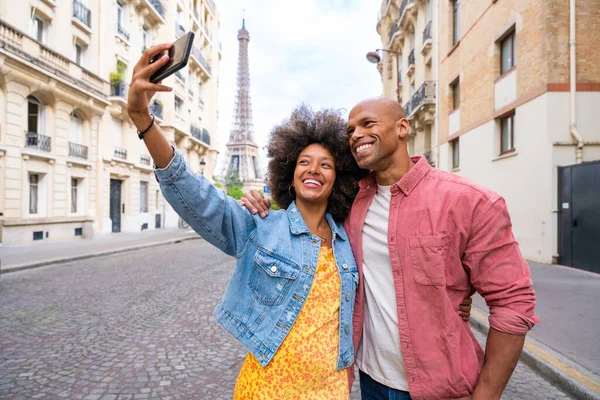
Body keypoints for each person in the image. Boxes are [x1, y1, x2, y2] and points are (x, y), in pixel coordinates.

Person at [241, 97, 539, 400]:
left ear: (402, 128)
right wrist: (259, 203)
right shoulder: (349, 203)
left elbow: (514, 301)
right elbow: (305, 211)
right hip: (370, 382)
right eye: (351, 130)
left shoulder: (469, 202)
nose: (356, 134)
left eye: (368, 124)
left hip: (442, 388)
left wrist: (487, 393)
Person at [127, 43, 364, 399]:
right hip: (267, 389)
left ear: (339, 177)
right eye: (304, 161)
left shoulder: (347, 241)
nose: (314, 168)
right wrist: (142, 119)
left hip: (330, 390)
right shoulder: (262, 226)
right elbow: (200, 199)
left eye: (326, 164)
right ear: (289, 172)